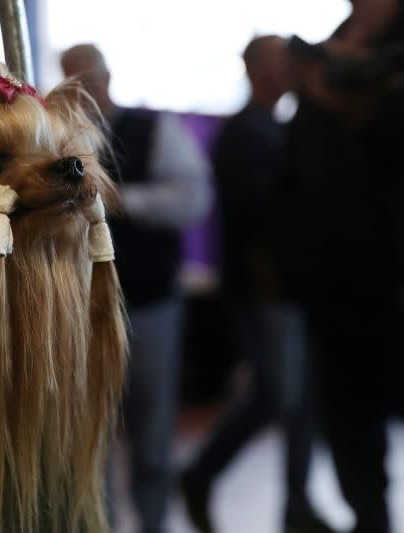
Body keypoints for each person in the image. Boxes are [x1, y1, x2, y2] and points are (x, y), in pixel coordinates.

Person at [179, 35, 334, 533]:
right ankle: (203, 474)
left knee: (297, 398)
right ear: (257, 70)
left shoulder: (270, 127)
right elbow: (260, 214)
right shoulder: (246, 132)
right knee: (278, 396)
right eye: (280, 62)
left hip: (286, 289)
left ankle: (297, 506)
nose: (290, 70)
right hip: (265, 291)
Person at [61, 44, 211, 533]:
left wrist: (124, 200)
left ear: (106, 78)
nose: (82, 91)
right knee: (88, 437)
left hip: (148, 304)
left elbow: (194, 197)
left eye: (89, 79)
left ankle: (153, 524)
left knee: (152, 429)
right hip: (79, 309)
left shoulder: (153, 130)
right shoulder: (58, 140)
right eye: (72, 80)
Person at [277, 2, 404, 532]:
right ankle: (369, 517)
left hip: (390, 276)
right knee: (350, 425)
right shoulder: (328, 56)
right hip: (335, 286)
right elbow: (296, 180)